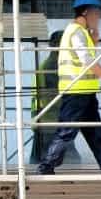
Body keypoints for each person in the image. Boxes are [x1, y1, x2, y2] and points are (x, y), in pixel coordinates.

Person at [35, 0, 101, 175]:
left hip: (86, 93)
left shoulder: (82, 33)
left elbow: (84, 55)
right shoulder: (75, 31)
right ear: (86, 12)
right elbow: (86, 60)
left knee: (96, 134)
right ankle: (46, 166)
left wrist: (95, 41)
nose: (98, 18)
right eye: (96, 14)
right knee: (67, 132)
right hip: (76, 92)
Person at [30, 30, 64, 164]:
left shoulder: (48, 65)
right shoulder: (53, 67)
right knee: (55, 159)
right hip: (50, 120)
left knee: (42, 158)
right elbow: (51, 97)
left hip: (45, 120)